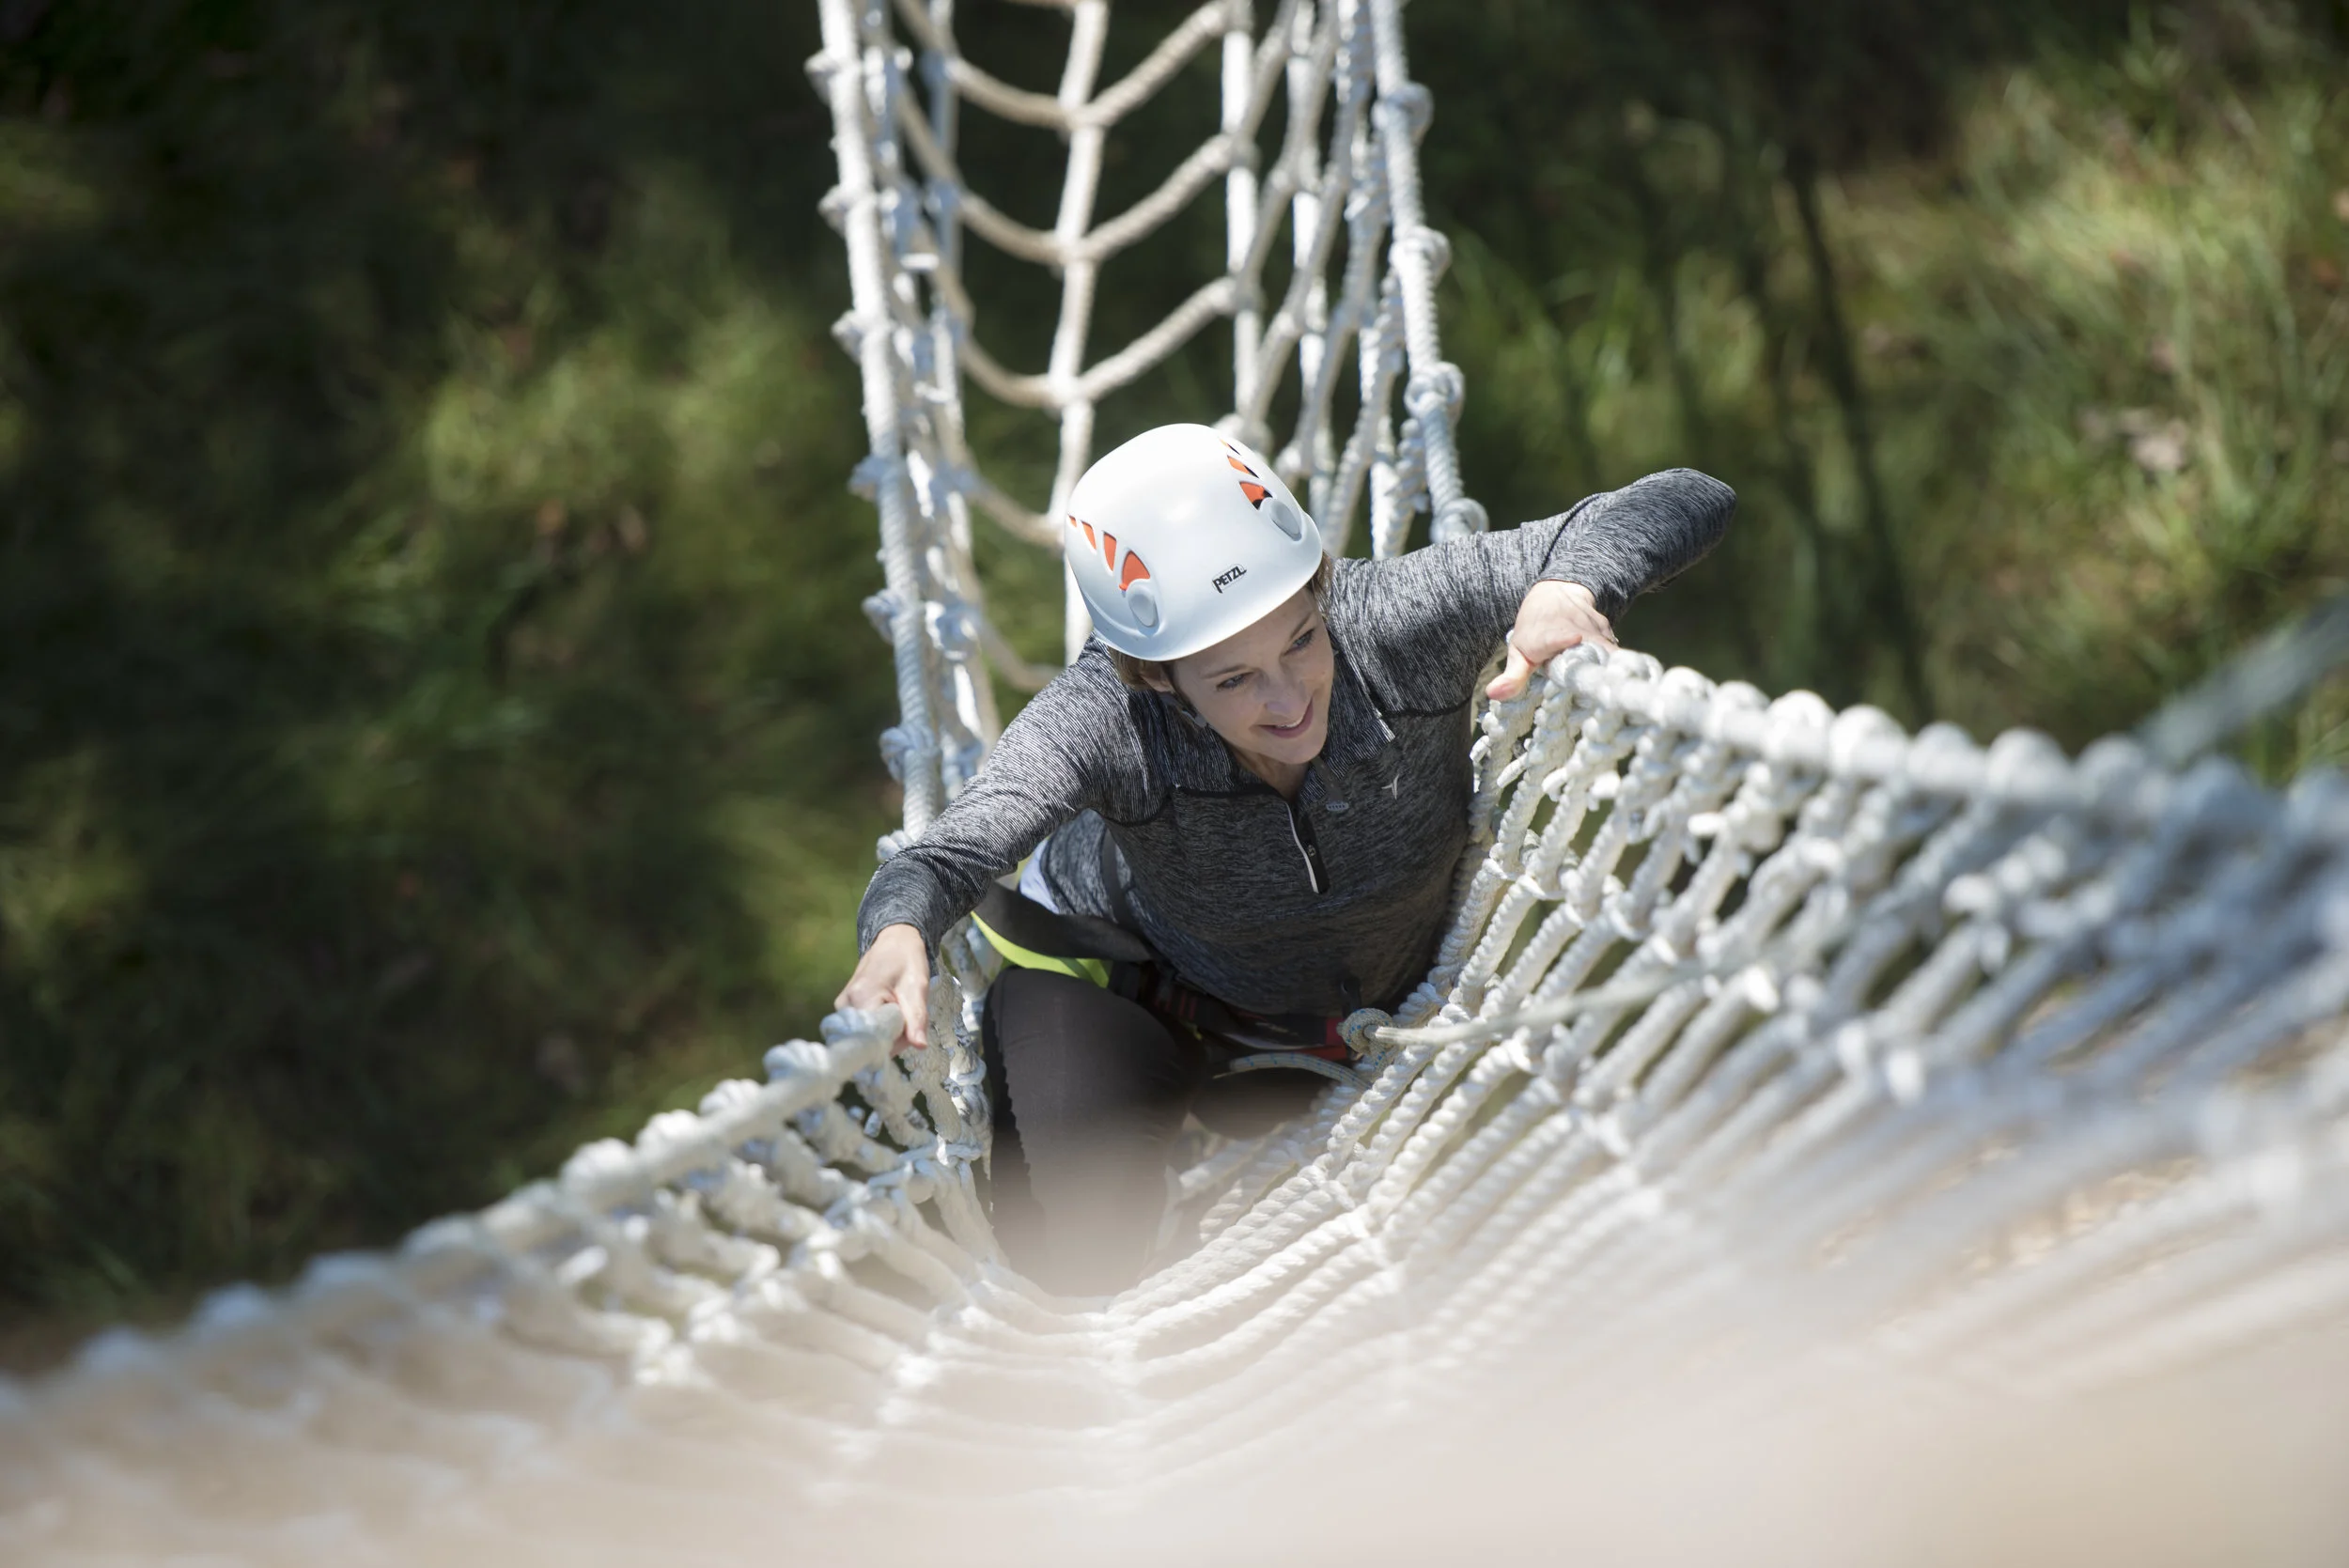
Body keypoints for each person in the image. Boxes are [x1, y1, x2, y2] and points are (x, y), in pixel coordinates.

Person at [838, 423, 1733, 1293]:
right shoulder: (1105, 717)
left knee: (1456, 1251)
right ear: (1156, 676)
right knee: (1078, 1263)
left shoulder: (1393, 626)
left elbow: (1689, 494)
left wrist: (1570, 584)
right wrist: (898, 927)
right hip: (1134, 991)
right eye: (1232, 679)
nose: (1288, 696)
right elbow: (955, 847)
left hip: (1318, 1048)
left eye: (1301, 640)